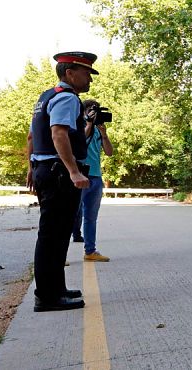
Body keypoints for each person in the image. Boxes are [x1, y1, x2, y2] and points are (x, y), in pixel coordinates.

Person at [26, 51, 97, 312]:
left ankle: (56, 289)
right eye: (86, 72)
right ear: (70, 73)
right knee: (53, 236)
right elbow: (58, 134)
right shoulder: (67, 98)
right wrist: (74, 172)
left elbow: (33, 136)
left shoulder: (47, 96)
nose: (89, 78)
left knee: (55, 235)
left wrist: (32, 166)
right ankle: (47, 296)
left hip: (46, 168)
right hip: (58, 173)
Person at [78, 99, 114, 262]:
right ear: (85, 111)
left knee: (91, 217)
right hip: (79, 175)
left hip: (95, 176)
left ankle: (90, 251)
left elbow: (109, 152)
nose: (95, 114)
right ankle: (59, 254)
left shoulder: (99, 130)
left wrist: (104, 134)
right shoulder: (78, 126)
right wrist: (89, 124)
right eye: (92, 111)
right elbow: (79, 142)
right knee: (70, 215)